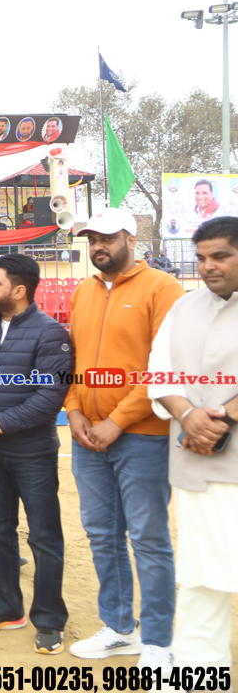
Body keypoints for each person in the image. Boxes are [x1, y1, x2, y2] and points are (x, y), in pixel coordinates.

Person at [62, 209, 183, 669]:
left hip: (144, 437)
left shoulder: (163, 288)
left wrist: (118, 420)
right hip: (88, 436)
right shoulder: (83, 291)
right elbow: (74, 361)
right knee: (102, 535)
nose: (98, 246)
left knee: (149, 539)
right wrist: (74, 409)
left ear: (131, 239)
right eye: (92, 238)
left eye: (108, 237)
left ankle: (158, 641)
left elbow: (164, 367)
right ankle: (118, 628)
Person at [0, 254, 73, 654]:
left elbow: (50, 395)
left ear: (19, 290)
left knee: (44, 537)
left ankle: (49, 619)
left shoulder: (51, 333)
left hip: (33, 453)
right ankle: (7, 607)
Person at [147, 216, 238, 670]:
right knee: (202, 571)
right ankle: (200, 668)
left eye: (221, 256)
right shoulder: (184, 307)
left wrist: (222, 418)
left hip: (224, 453)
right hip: (195, 461)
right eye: (201, 258)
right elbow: (159, 373)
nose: (208, 266)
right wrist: (189, 416)